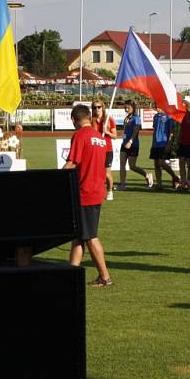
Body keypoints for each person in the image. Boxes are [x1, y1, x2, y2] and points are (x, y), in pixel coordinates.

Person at [64, 104, 112, 288]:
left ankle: (105, 277)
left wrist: (51, 178)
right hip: (96, 190)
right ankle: (71, 275)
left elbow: (72, 162)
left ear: (74, 119)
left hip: (85, 192)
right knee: (79, 236)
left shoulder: (80, 135)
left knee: (90, 236)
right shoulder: (99, 137)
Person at [117, 100, 152, 190]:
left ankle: (146, 175)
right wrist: (123, 137)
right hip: (124, 144)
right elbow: (126, 131)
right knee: (122, 164)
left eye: (128, 107)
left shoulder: (136, 118)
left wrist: (130, 141)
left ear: (133, 108)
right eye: (126, 107)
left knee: (132, 166)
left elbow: (136, 131)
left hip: (133, 145)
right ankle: (122, 184)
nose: (126, 108)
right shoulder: (127, 118)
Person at [91, 100, 116, 201]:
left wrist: (107, 132)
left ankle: (110, 191)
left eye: (99, 107)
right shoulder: (90, 120)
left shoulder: (109, 120)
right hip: (95, 149)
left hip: (107, 150)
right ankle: (97, 190)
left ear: (103, 107)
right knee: (95, 173)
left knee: (106, 173)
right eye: (94, 107)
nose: (97, 109)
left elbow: (115, 136)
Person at [150, 107, 179, 189]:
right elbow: (155, 130)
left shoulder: (169, 117)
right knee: (156, 164)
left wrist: (169, 143)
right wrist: (153, 143)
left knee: (161, 162)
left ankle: (175, 177)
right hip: (155, 144)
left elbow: (171, 132)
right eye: (156, 107)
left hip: (164, 143)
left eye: (158, 107)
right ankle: (159, 184)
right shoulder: (155, 117)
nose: (157, 108)